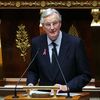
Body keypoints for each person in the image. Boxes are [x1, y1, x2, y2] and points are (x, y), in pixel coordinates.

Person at [27, 8, 91, 92]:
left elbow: (85, 75)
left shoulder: (75, 43)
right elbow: (33, 71)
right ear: (43, 27)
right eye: (48, 24)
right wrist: (30, 84)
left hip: (68, 95)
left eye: (55, 23)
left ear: (60, 23)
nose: (52, 28)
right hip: (45, 96)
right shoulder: (37, 43)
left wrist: (67, 87)